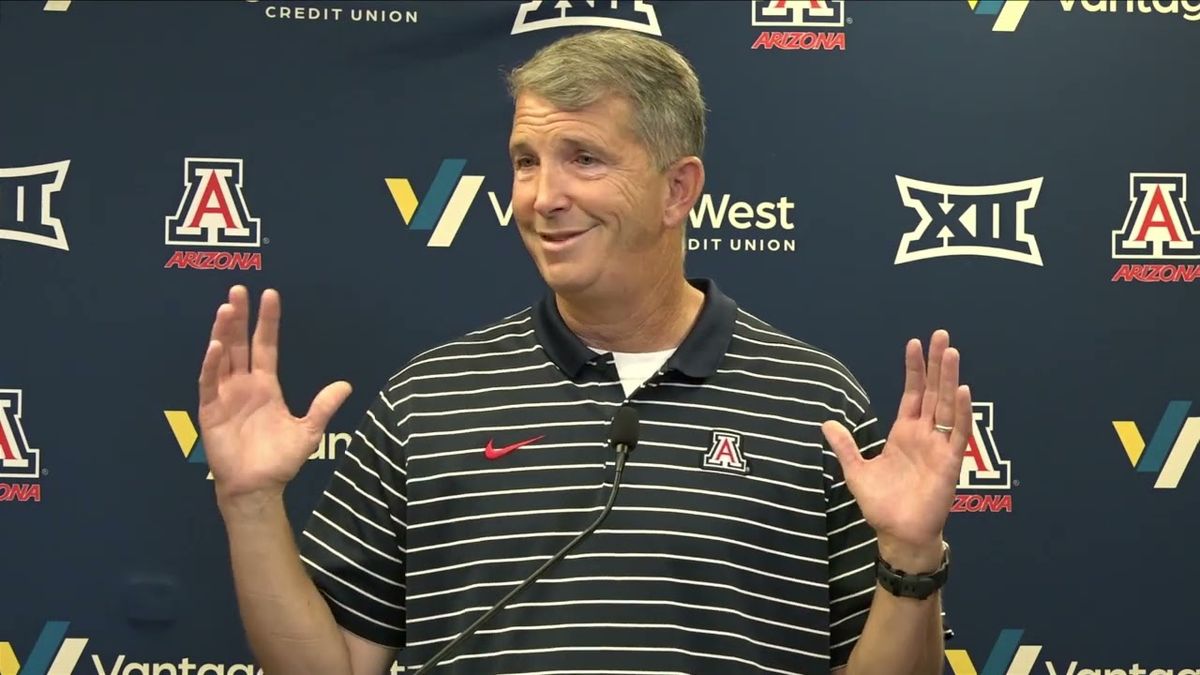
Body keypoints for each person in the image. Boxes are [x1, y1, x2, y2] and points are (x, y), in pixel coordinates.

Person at [197, 29, 970, 675]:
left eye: (584, 159)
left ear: (678, 190)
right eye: (527, 160)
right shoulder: (426, 401)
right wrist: (251, 503)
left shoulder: (815, 404)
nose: (543, 196)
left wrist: (909, 553)